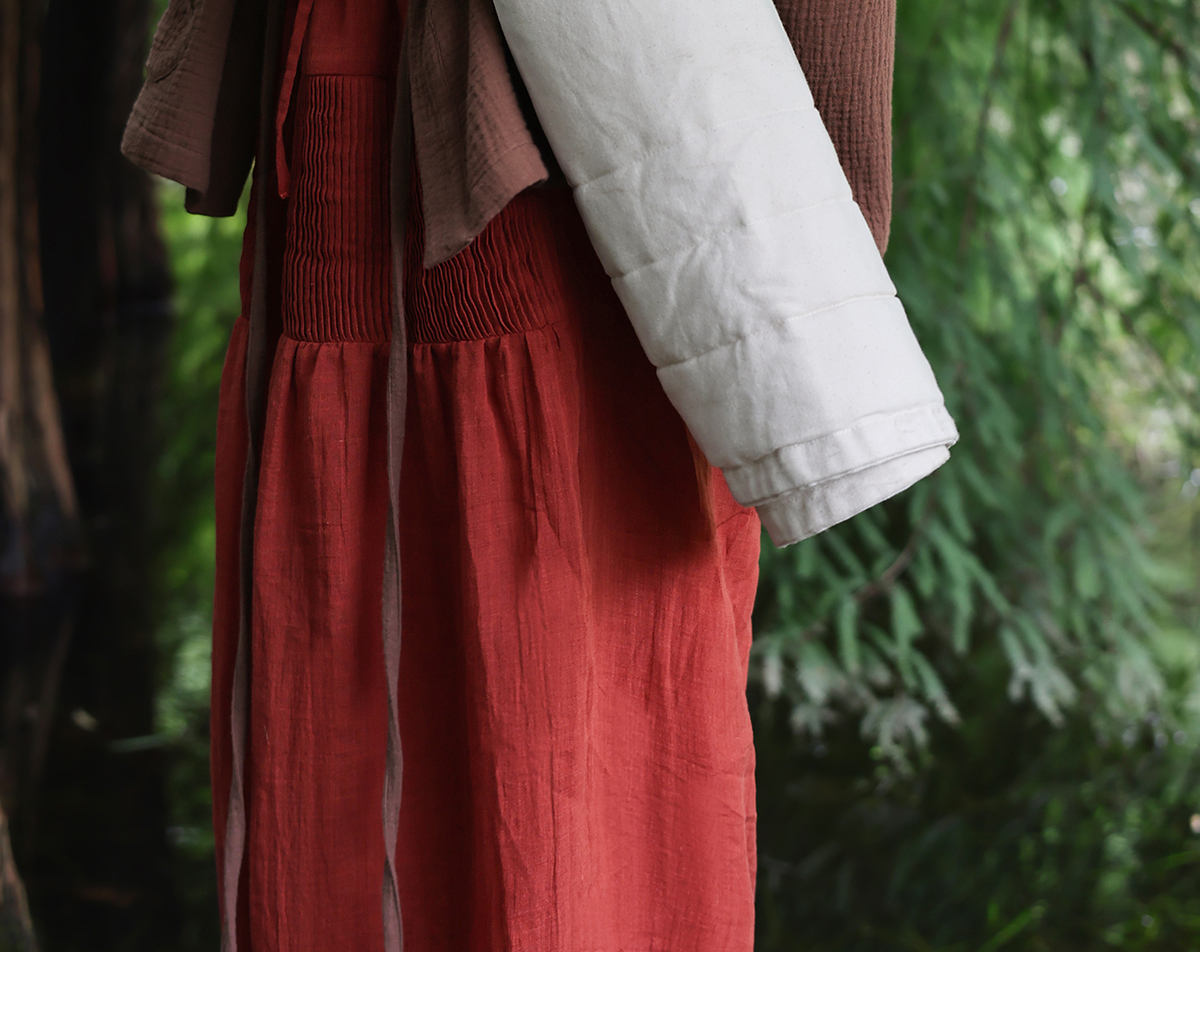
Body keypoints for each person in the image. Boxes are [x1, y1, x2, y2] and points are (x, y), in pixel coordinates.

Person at [123, 0, 956, 950]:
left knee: (573, 779)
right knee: (387, 765)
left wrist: (802, 220)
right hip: (394, 124)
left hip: (583, 141)